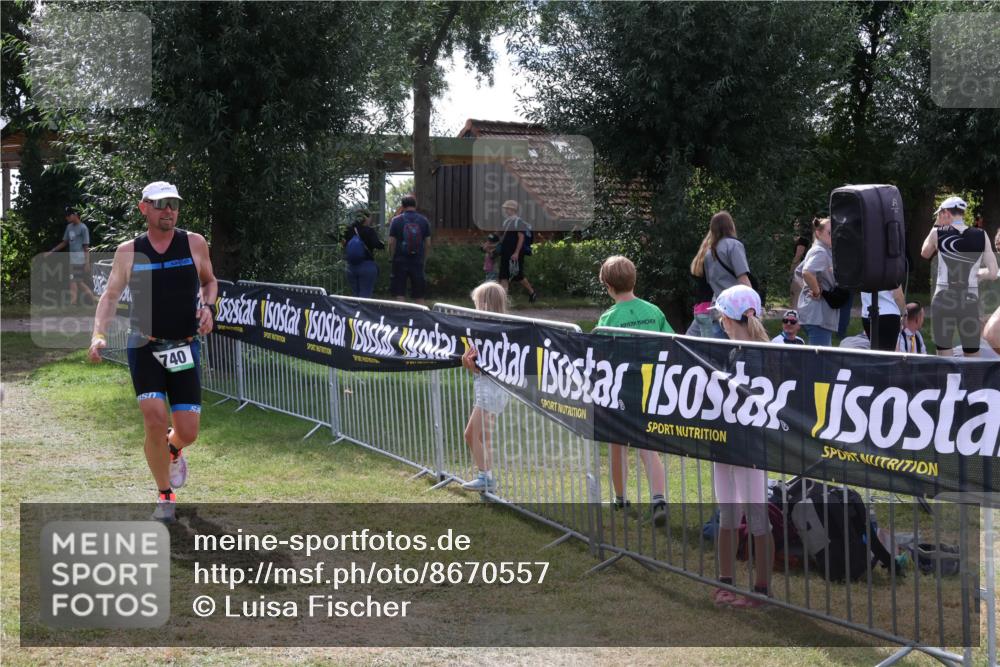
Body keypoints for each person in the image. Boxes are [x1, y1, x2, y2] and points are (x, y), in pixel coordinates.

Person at [88, 181, 217, 523]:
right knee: (155, 420)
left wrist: (208, 307)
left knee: (187, 431)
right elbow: (111, 296)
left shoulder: (194, 243)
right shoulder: (129, 251)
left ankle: (172, 450)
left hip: (185, 345)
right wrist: (98, 334)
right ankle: (164, 495)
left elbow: (209, 281)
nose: (168, 211)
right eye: (160, 205)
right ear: (143, 208)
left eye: (173, 204)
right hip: (144, 343)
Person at [596, 256, 673, 525]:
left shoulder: (608, 317)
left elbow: (598, 357)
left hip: (620, 391)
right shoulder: (654, 312)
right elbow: (671, 344)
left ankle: (620, 498)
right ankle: (658, 498)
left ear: (606, 284)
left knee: (617, 445)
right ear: (634, 279)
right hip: (651, 388)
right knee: (647, 446)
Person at [709, 284, 773, 609]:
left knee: (756, 514)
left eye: (720, 316)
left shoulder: (761, 354)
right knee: (727, 514)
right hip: (726, 447)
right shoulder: (732, 352)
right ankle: (725, 581)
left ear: (727, 319)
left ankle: (762, 589)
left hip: (750, 449)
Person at [920, 196, 998, 357]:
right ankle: (973, 382)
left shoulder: (937, 232)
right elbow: (992, 272)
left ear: (945, 213)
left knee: (944, 352)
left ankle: (948, 382)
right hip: (969, 299)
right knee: (971, 352)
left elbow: (925, 253)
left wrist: (936, 225)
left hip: (943, 299)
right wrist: (977, 274)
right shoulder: (981, 235)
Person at [459, 282, 510, 492]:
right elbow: (481, 366)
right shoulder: (494, 330)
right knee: (484, 435)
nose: (475, 308)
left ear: (486, 305)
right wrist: (468, 362)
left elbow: (492, 366)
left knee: (471, 434)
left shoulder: (492, 332)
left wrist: (469, 363)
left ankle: (485, 477)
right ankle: (487, 477)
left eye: (478, 304)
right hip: (489, 387)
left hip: (491, 390)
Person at [691, 211, 752, 339]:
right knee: (742, 348)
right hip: (738, 308)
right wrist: (751, 305)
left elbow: (710, 283)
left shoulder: (708, 253)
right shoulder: (734, 245)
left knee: (718, 350)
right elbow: (743, 278)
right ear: (731, 225)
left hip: (719, 309)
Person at [796, 217, 839, 346]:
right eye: (830, 232)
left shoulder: (821, 250)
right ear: (818, 233)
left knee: (822, 359)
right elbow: (806, 272)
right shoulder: (820, 251)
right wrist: (816, 291)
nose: (834, 235)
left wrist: (808, 287)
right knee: (819, 361)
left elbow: (798, 272)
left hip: (816, 314)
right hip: (818, 315)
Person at [45, 206, 97, 306]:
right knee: (75, 280)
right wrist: (52, 251)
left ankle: (87, 300)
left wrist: (87, 263)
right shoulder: (69, 227)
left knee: (75, 280)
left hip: (80, 259)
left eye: (68, 216)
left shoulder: (83, 228)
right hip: (72, 259)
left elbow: (86, 247)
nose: (67, 218)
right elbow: (64, 242)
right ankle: (79, 302)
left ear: (75, 215)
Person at [387, 195, 432, 304]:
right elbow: (428, 243)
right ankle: (420, 318)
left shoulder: (396, 220)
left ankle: (401, 317)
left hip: (399, 260)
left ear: (402, 206)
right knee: (419, 294)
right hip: (417, 261)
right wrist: (424, 259)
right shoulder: (423, 220)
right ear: (415, 205)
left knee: (399, 293)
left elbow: (391, 242)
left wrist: (391, 257)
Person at [497, 199, 538, 302]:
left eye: (507, 209)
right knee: (503, 275)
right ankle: (503, 300)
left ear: (512, 209)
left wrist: (516, 253)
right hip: (505, 253)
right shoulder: (506, 222)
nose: (506, 210)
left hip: (515, 254)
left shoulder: (518, 222)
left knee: (518, 276)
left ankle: (532, 292)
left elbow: (521, 238)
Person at [343, 208, 384, 298]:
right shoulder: (369, 231)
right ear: (366, 218)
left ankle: (356, 312)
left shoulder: (348, 230)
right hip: (367, 266)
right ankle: (363, 312)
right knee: (365, 296)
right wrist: (382, 245)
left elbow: (343, 243)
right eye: (370, 217)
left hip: (351, 267)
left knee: (355, 295)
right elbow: (377, 244)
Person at [860, 286, 905, 352]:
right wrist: (904, 312)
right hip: (889, 313)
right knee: (886, 354)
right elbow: (898, 296)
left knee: (875, 351)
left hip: (867, 312)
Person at [789, 220, 811, 311]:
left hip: (799, 268)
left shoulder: (802, 240)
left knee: (796, 292)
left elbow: (798, 255)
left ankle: (795, 314)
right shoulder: (802, 239)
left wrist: (792, 268)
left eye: (797, 223)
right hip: (802, 268)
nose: (795, 224)